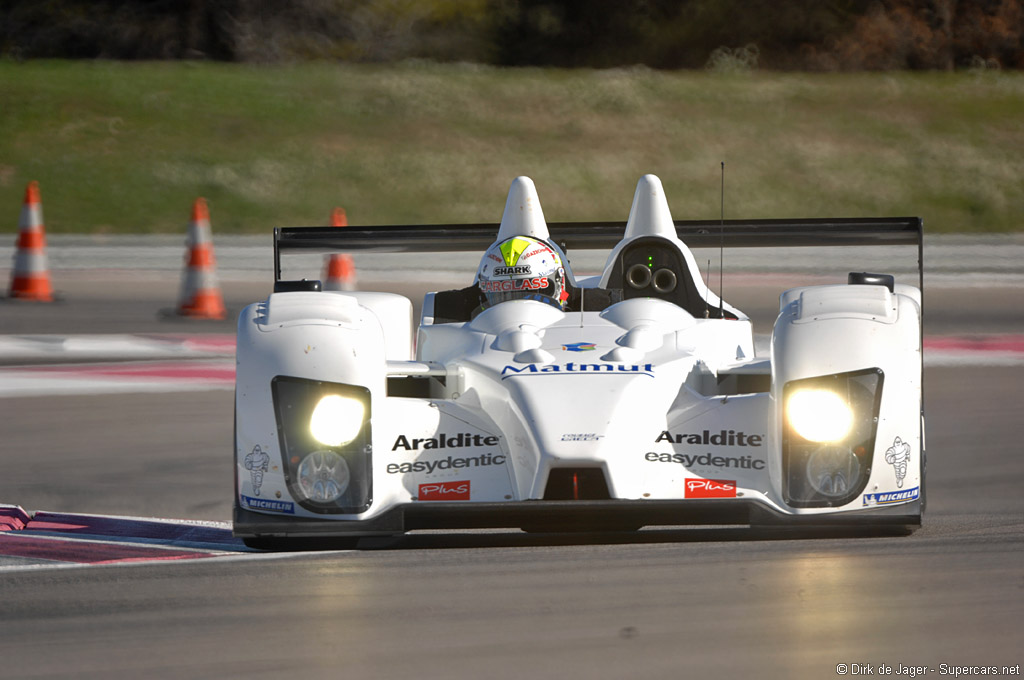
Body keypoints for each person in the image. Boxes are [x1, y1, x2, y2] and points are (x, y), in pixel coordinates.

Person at [431, 235, 619, 322]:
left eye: (534, 291)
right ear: (482, 293)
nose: (518, 303)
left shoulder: (601, 310)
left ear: (560, 285)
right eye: (503, 293)